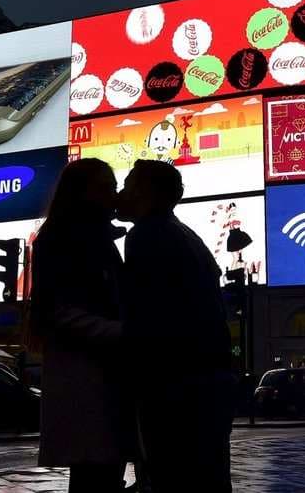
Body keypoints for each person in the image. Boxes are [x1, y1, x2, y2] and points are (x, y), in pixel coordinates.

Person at [117, 159, 234, 493]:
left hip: (175, 385)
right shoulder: (185, 235)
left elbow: (146, 316)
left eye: (127, 186)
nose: (120, 195)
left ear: (147, 193)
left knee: (172, 475)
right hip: (207, 381)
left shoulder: (146, 235)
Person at [30, 159, 133, 492]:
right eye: (105, 186)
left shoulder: (90, 236)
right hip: (88, 374)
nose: (113, 194)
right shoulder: (69, 238)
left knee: (98, 473)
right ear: (82, 193)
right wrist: (126, 335)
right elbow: (60, 311)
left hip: (99, 372)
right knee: (96, 472)